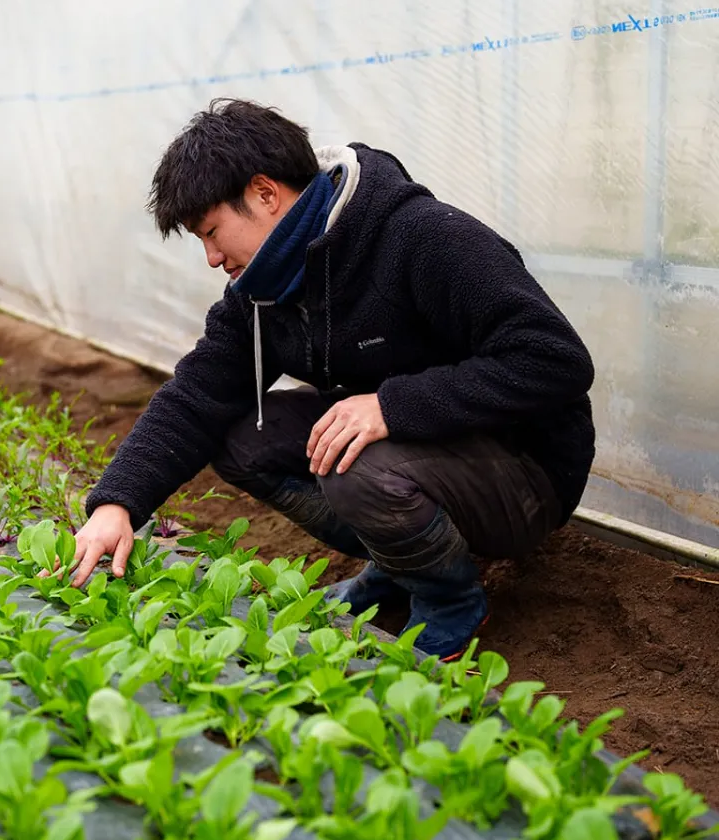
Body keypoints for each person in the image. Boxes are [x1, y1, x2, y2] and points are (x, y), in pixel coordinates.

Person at [68, 98, 595, 660]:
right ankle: (401, 564)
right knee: (242, 439)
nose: (212, 257)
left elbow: (555, 359)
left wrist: (390, 407)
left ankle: (448, 599)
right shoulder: (263, 290)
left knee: (356, 464)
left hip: (524, 476)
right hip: (430, 455)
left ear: (266, 194)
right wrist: (117, 505)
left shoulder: (421, 238)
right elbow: (198, 395)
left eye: (213, 232)